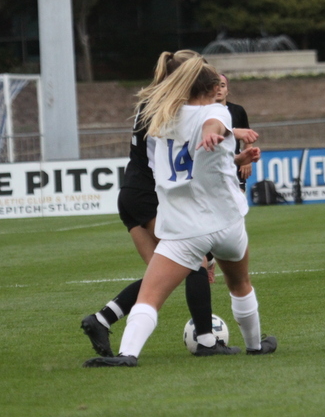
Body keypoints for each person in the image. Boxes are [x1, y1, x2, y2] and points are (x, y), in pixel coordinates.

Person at [84, 56, 276, 367]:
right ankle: (255, 346)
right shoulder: (216, 111)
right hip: (226, 221)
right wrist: (218, 132)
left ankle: (127, 354)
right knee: (239, 283)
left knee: (150, 295)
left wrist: (231, 151)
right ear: (212, 88)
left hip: (184, 226)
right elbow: (212, 125)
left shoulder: (162, 116)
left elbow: (196, 156)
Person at [216, 74, 252, 192]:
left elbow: (248, 136)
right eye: (215, 85)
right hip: (213, 162)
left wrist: (246, 160)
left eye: (222, 85)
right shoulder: (203, 112)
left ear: (227, 90)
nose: (218, 89)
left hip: (234, 162)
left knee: (238, 202)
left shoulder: (237, 111)